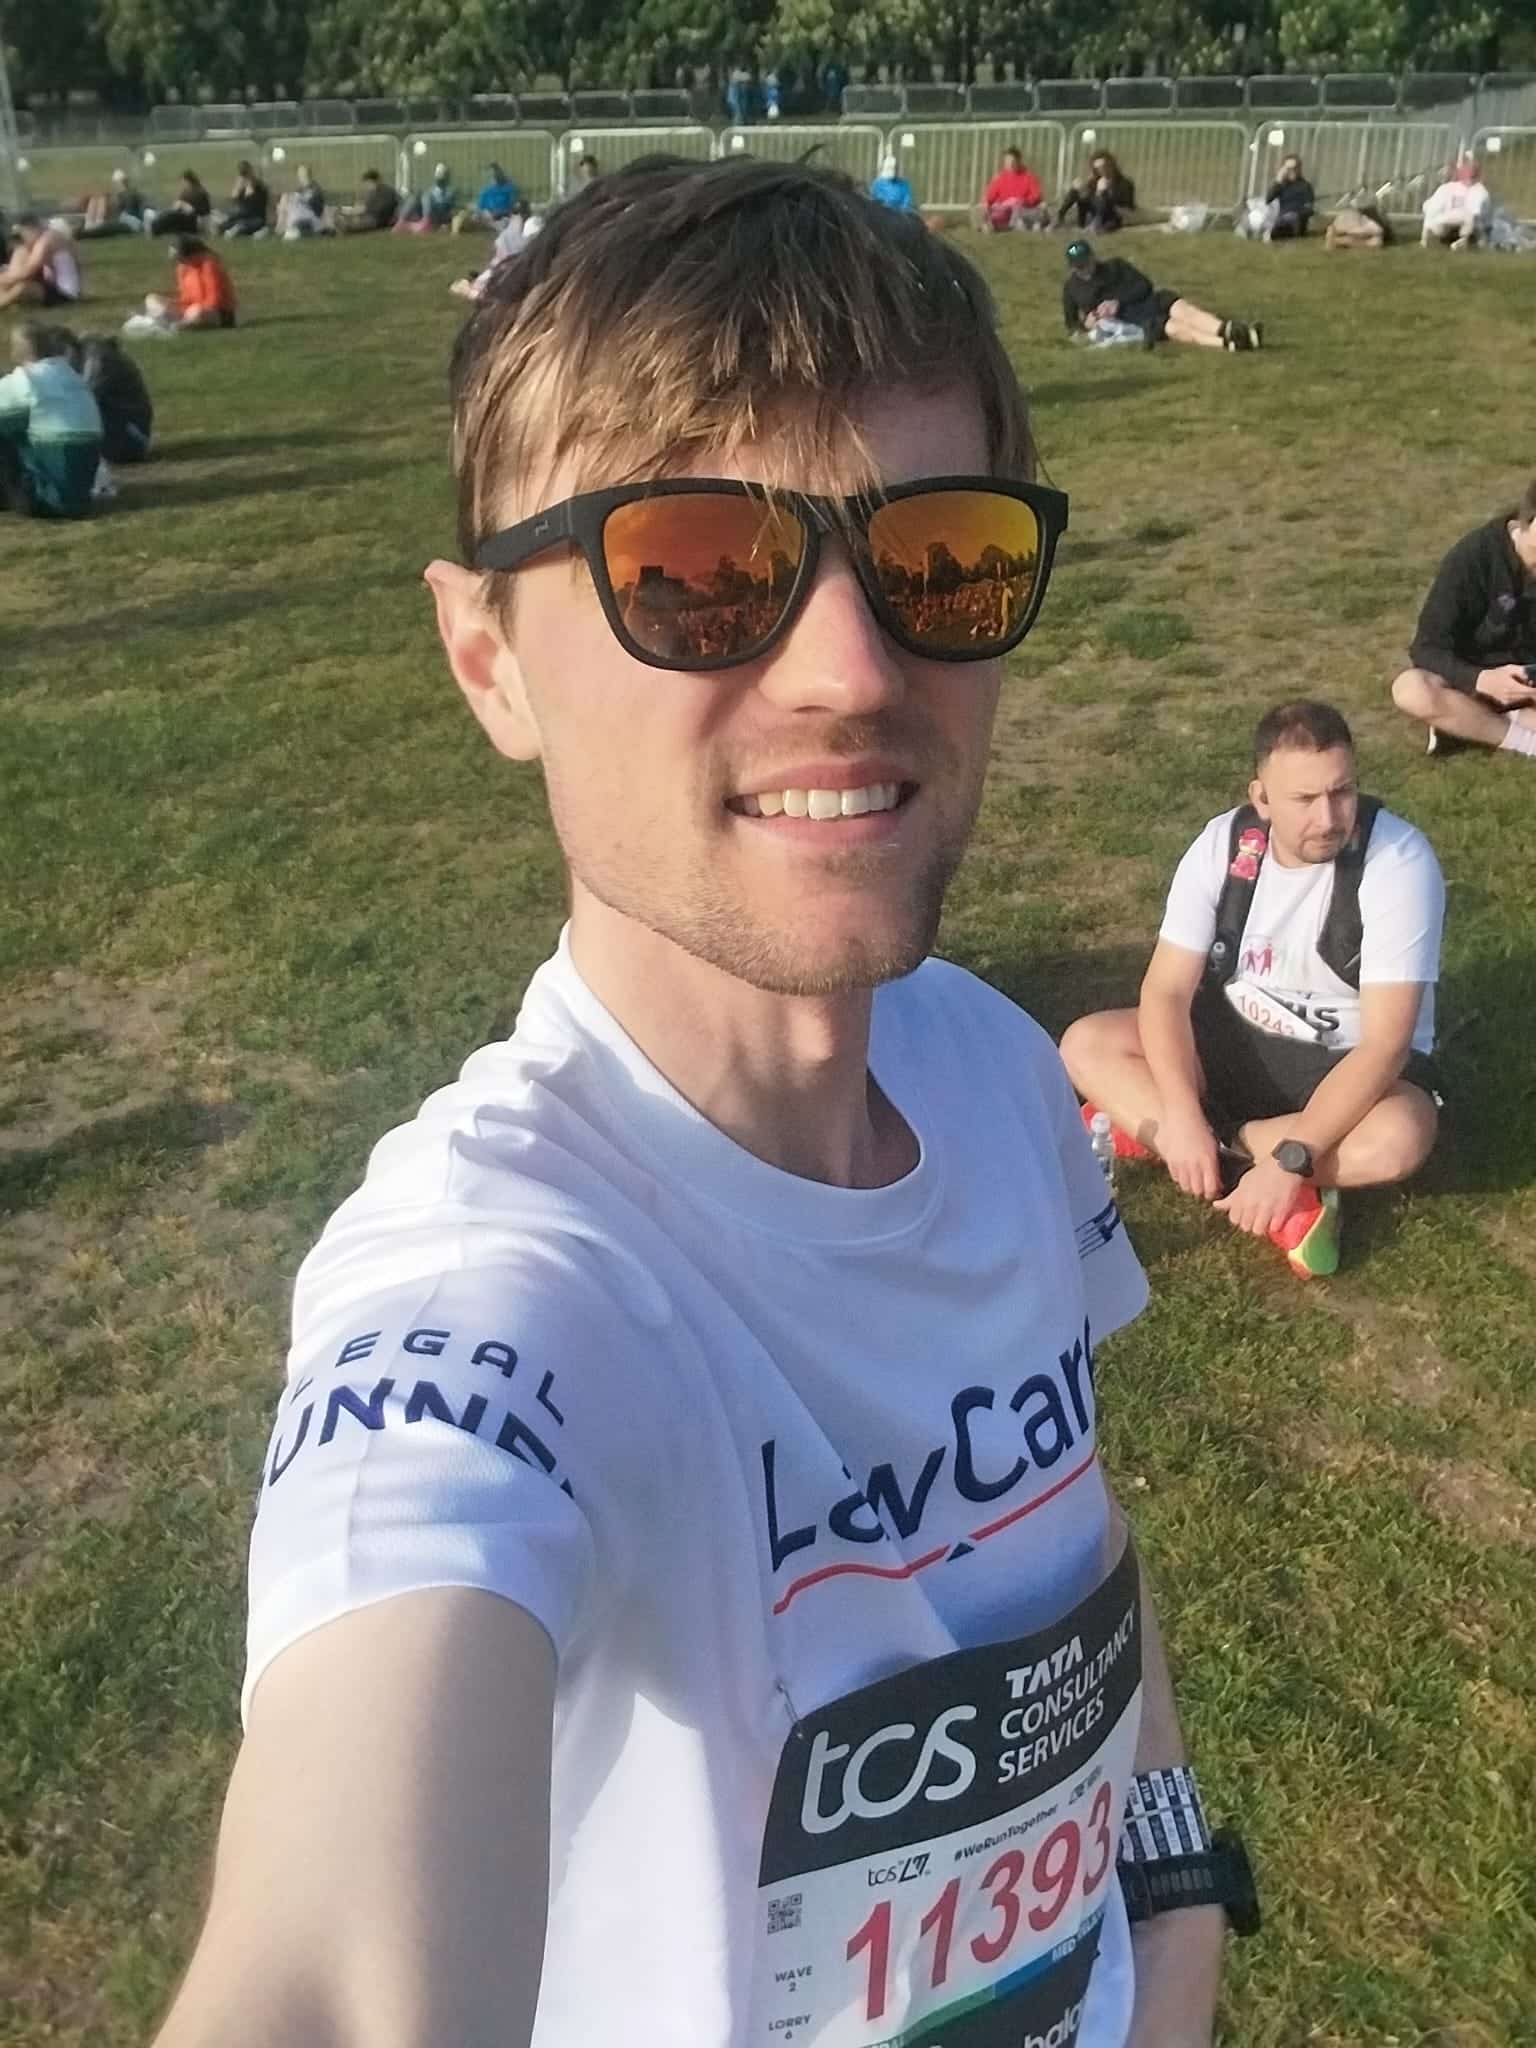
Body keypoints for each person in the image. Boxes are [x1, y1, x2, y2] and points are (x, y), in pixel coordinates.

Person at [152, 156, 1241, 2048]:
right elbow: (329, 1964)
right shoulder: (495, 1297)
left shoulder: (987, 1066)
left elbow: (1071, 1518)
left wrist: (1175, 1900)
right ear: (490, 661)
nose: (852, 670)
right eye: (695, 571)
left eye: (940, 557)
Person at [1061, 701, 1443, 1280]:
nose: (1329, 817)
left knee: (1400, 1138)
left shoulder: (1398, 860)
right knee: (1085, 1043)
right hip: (1234, 1037)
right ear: (1261, 798)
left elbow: (1385, 1046)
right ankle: (1226, 1157)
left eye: (1342, 792)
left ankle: (1200, 1144)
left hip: (1341, 1063)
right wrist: (1182, 1112)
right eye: (1304, 799)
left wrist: (1292, 1160)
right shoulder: (1225, 844)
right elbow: (1165, 991)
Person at [1390, 481, 1536, 761]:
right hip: (1472, 678)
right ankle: (1526, 742)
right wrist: (1482, 679)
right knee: (1411, 690)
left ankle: (1466, 724)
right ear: (1527, 522)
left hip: (1528, 681)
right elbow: (1427, 647)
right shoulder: (1475, 557)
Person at [1062, 239, 1262, 351]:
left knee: (1186, 312)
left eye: (1086, 263)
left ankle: (1227, 329)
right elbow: (1072, 325)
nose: (1084, 270)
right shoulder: (1071, 288)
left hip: (1151, 301)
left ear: (1093, 257)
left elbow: (1144, 286)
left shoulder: (1116, 266)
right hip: (1137, 320)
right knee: (1177, 329)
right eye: (1079, 267)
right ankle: (1230, 343)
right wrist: (1087, 324)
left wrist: (1117, 302)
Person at [0, 319, 103, 518]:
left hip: (46, 499)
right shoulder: (71, 376)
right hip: (79, 497)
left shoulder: (28, 380)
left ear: (17, 352)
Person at [71, 330, 153, 462]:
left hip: (132, 439)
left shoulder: (100, 357)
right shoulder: (91, 355)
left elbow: (85, 399)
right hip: (128, 434)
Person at [0, 216, 82, 313]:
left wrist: (4, 278)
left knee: (22, 287)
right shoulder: (48, 237)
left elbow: (27, 272)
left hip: (65, 293)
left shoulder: (47, 239)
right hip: (52, 286)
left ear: (31, 229)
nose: (24, 240)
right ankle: (11, 302)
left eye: (23, 235)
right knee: (20, 252)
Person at [1055, 152, 1136, 233]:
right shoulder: (1094, 180)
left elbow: (1127, 206)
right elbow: (1090, 199)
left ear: (1112, 166)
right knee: (1077, 188)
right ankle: (1059, 217)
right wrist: (1082, 189)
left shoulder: (1125, 183)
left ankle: (1096, 224)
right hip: (1096, 211)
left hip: (1113, 214)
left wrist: (1104, 192)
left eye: (1104, 167)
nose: (1101, 170)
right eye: (1097, 168)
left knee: (1102, 194)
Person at [1421, 159, 1491, 249]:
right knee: (1429, 207)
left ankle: (1464, 240)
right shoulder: (1447, 188)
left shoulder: (1480, 191)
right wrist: (1425, 235)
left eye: (1471, 173)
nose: (1468, 176)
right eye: (1466, 172)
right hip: (1445, 222)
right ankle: (1434, 237)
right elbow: (1431, 208)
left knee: (1469, 217)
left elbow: (1476, 215)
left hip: (1466, 225)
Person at [979, 146, 1046, 231]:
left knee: (1019, 210)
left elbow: (1036, 196)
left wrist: (1022, 201)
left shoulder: (1028, 176)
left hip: (1023, 209)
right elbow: (989, 196)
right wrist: (986, 203)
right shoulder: (1000, 177)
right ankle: (992, 223)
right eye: (1007, 161)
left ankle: (1013, 225)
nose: (1009, 164)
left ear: (1019, 161)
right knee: (992, 210)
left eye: (1012, 161)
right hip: (1005, 209)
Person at [80, 166, 147, 237]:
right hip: (123, 220)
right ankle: (91, 225)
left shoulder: (130, 194)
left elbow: (129, 208)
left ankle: (93, 226)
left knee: (109, 226)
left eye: (117, 183)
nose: (115, 185)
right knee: (98, 198)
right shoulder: (116, 195)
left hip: (129, 222)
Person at [1264, 155, 1314, 239]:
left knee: (1291, 218)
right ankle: (1273, 232)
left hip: (1297, 221)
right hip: (1282, 219)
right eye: (1288, 168)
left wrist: (1295, 214)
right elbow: (1268, 200)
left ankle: (1273, 232)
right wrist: (1278, 180)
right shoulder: (1282, 185)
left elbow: (1309, 209)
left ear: (1299, 169)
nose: (1292, 171)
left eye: (1295, 168)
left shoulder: (1305, 186)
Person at [149, 170, 213, 236]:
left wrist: (185, 206)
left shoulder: (199, 192)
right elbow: (177, 206)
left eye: (183, 182)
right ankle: (157, 228)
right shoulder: (186, 192)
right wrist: (179, 205)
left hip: (196, 220)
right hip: (185, 217)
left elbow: (201, 211)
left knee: (171, 217)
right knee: (168, 214)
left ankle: (157, 230)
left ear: (188, 181)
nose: (182, 184)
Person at [275, 163, 330, 239]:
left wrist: (298, 199)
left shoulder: (315, 188)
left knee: (286, 199)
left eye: (303, 173)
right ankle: (283, 227)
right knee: (285, 199)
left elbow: (316, 207)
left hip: (311, 219)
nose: (302, 176)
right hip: (300, 218)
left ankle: (282, 228)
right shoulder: (300, 190)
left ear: (309, 174)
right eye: (300, 174)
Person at [339, 168, 401, 233]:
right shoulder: (376, 192)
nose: (367, 186)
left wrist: (357, 211)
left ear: (376, 181)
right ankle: (346, 225)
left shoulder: (386, 192)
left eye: (368, 183)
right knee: (354, 218)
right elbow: (367, 206)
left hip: (379, 220)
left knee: (358, 222)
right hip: (373, 217)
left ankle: (347, 226)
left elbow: (378, 210)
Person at [220, 160, 270, 239]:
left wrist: (248, 185)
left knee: (244, 224)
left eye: (246, 173)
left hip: (256, 218)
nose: (244, 177)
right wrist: (238, 187)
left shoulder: (259, 186)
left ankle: (241, 228)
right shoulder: (242, 185)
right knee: (224, 225)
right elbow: (234, 198)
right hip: (242, 217)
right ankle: (236, 228)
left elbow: (251, 201)